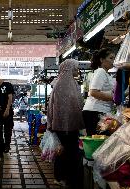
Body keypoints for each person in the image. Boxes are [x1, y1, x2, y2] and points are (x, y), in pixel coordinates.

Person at [47, 59, 85, 189]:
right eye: (75, 68)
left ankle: (67, 177)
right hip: (62, 125)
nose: (77, 70)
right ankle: (59, 177)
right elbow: (54, 106)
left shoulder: (71, 83)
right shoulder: (62, 85)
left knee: (69, 152)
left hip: (70, 124)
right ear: (69, 69)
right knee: (63, 152)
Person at [83, 48, 115, 136]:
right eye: (111, 58)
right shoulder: (101, 71)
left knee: (100, 140)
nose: (113, 61)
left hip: (99, 111)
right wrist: (114, 97)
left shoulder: (105, 73)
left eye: (114, 58)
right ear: (102, 60)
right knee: (98, 141)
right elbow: (93, 92)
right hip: (95, 111)